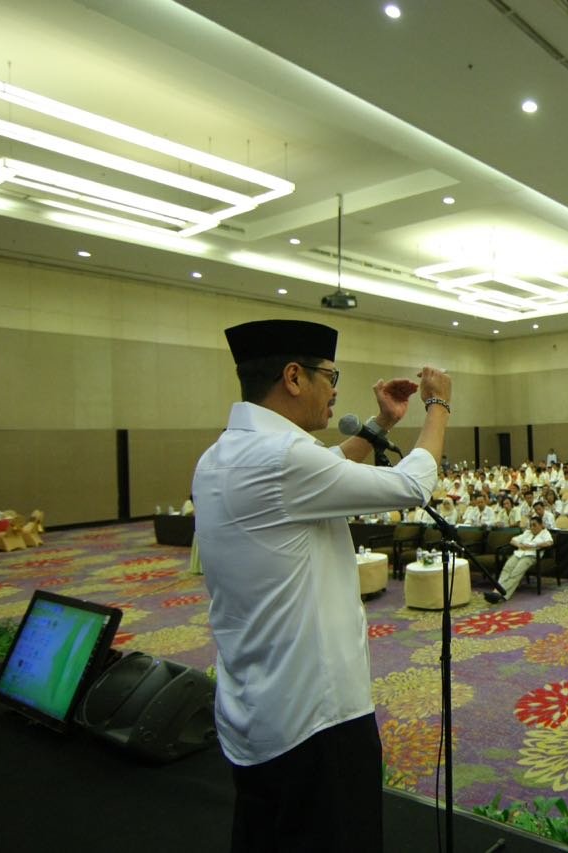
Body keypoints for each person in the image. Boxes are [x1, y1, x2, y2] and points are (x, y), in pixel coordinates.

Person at [193, 319, 451, 852]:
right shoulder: (281, 457)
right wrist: (438, 405)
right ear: (294, 377)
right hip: (317, 717)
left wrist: (381, 424)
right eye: (330, 377)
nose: (335, 391)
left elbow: (327, 467)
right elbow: (411, 485)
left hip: (255, 711)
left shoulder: (222, 454)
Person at [485, 515, 552, 603]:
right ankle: (497, 591)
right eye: (531, 525)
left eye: (534, 525)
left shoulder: (545, 533)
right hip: (518, 554)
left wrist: (534, 545)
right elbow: (512, 540)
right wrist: (519, 545)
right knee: (506, 569)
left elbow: (549, 543)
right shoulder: (527, 533)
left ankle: (499, 593)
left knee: (515, 573)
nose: (532, 527)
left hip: (530, 556)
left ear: (541, 525)